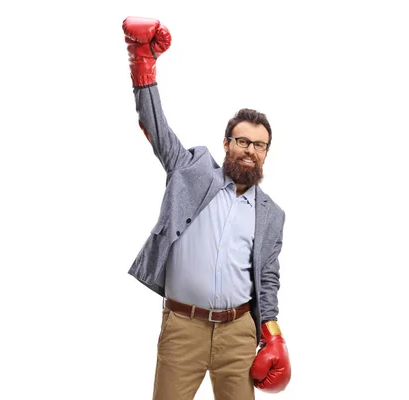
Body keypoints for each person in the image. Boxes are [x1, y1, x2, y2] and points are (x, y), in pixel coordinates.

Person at [122, 16, 292, 400]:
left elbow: (267, 278)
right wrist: (142, 65)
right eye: (241, 140)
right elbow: (156, 127)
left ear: (266, 153)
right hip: (184, 328)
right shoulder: (190, 171)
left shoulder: (271, 214)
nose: (249, 149)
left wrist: (272, 333)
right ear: (226, 143)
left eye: (259, 145)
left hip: (238, 334)